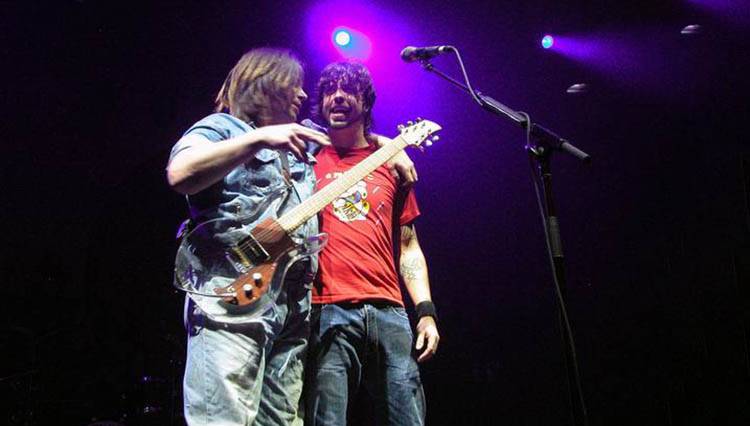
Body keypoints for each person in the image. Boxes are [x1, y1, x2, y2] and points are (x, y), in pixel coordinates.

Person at [166, 47, 330, 425]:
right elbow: (180, 173)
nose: (304, 97)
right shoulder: (221, 129)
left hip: (289, 308)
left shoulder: (299, 145)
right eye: (296, 86)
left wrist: (394, 148)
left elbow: (354, 140)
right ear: (266, 84)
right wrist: (257, 140)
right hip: (230, 301)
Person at [304, 61, 440, 426]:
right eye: (329, 90)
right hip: (326, 310)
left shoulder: (392, 166)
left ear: (366, 102)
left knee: (407, 419)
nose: (337, 97)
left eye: (348, 89)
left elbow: (409, 246)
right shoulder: (307, 159)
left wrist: (425, 311)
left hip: (390, 312)